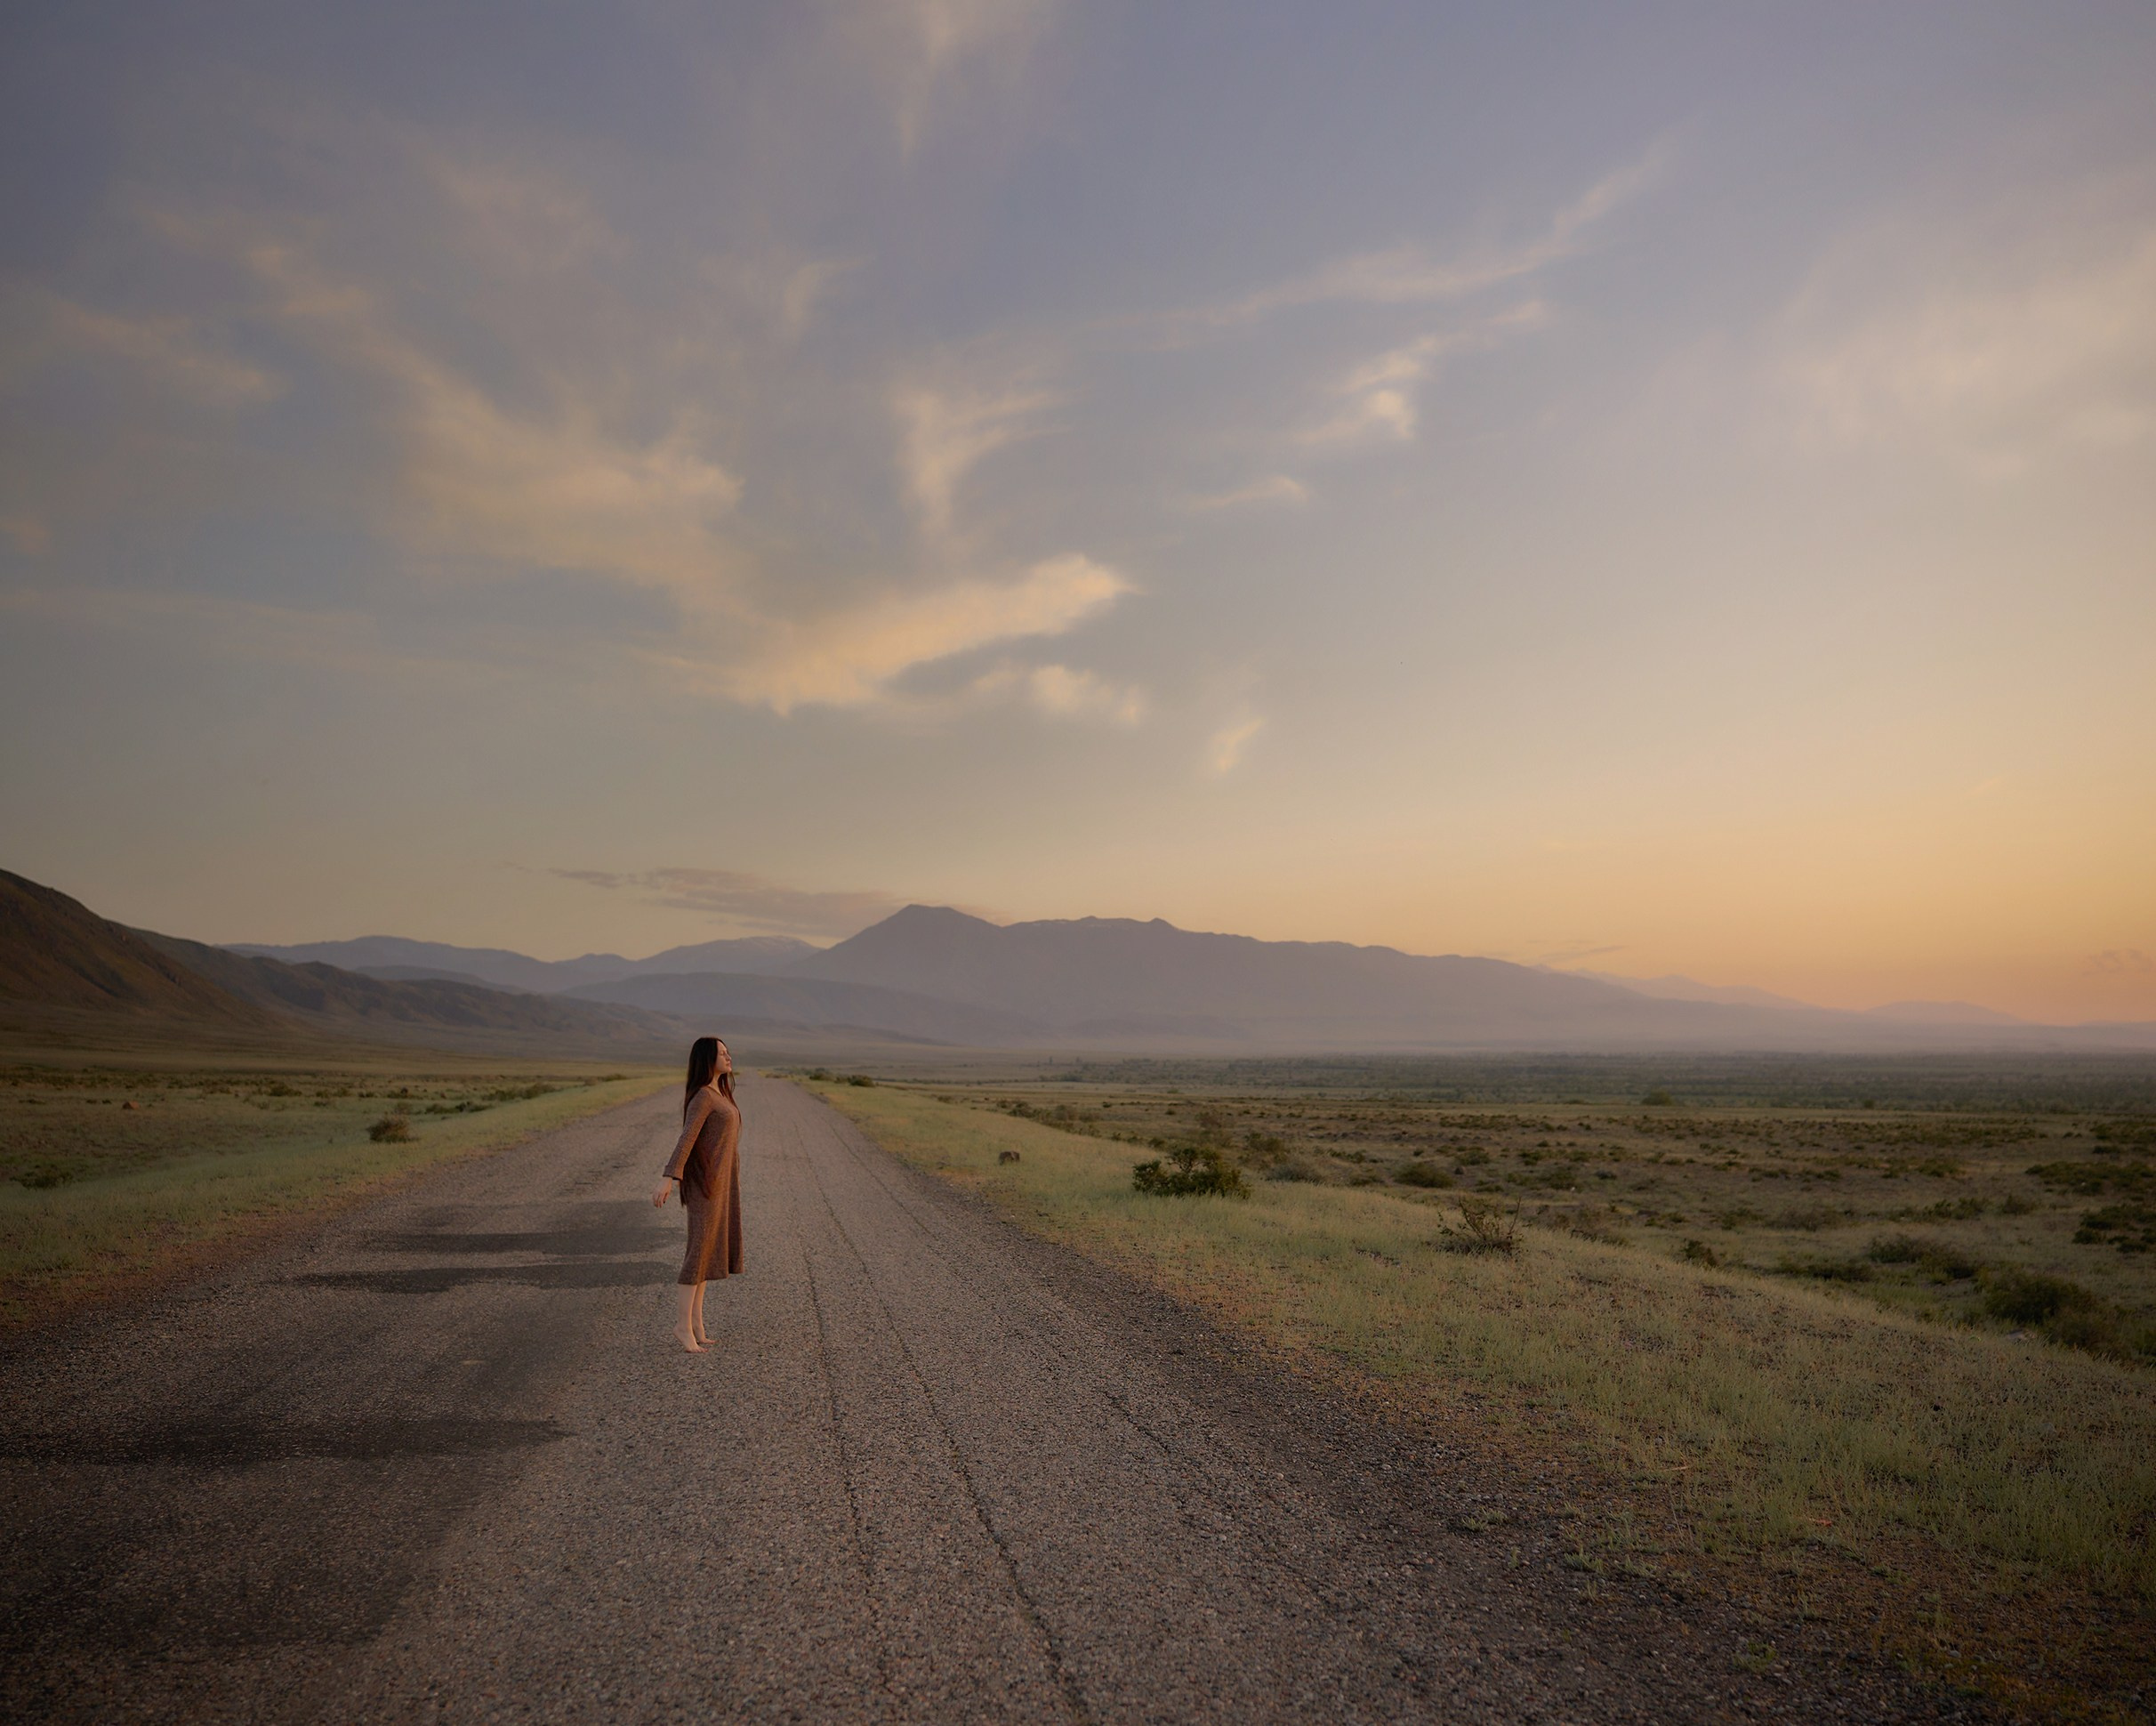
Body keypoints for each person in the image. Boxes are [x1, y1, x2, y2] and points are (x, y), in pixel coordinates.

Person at [650, 1036, 743, 1352]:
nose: (728, 1057)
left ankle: (697, 1325)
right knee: (697, 1254)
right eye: (721, 1053)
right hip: (705, 1186)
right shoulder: (704, 1097)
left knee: (706, 1256)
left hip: (720, 1186)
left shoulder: (720, 1092)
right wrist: (669, 1177)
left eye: (728, 1051)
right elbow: (686, 1139)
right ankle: (681, 1326)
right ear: (707, 1059)